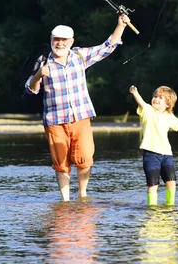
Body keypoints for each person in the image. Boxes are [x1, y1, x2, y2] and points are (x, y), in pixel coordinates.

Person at [25, 14, 130, 201]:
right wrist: (38, 75)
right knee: (61, 163)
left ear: (71, 41)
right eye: (56, 39)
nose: (59, 43)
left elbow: (108, 46)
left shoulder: (80, 56)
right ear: (51, 40)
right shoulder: (43, 62)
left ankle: (82, 195)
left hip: (81, 116)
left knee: (85, 158)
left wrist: (120, 25)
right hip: (55, 120)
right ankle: (65, 200)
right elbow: (31, 90)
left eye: (64, 40)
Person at [129, 85, 178, 206]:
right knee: (153, 184)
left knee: (171, 181)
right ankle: (152, 207)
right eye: (155, 96)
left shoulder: (169, 116)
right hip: (150, 155)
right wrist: (135, 92)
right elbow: (141, 103)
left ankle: (170, 205)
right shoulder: (148, 111)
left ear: (167, 104)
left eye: (160, 98)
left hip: (167, 155)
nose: (156, 99)